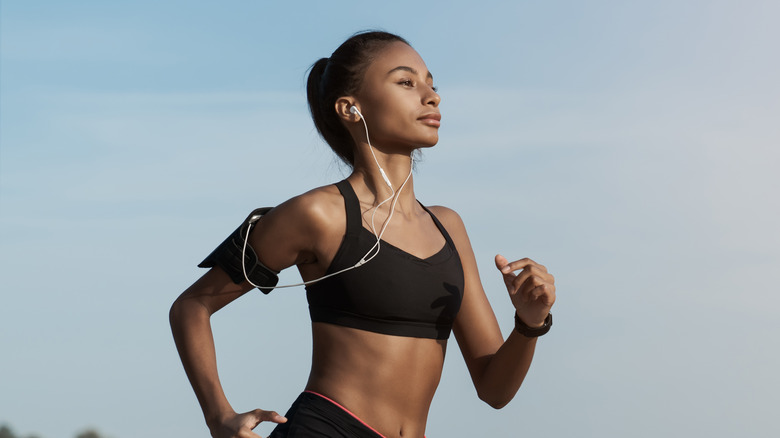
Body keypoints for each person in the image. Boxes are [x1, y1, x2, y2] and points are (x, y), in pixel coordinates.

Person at [170, 30, 556, 438]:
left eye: (431, 83)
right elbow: (192, 306)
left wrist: (530, 323)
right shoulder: (318, 214)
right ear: (350, 108)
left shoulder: (449, 227)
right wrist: (219, 416)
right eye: (407, 82)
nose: (431, 96)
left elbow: (494, 389)